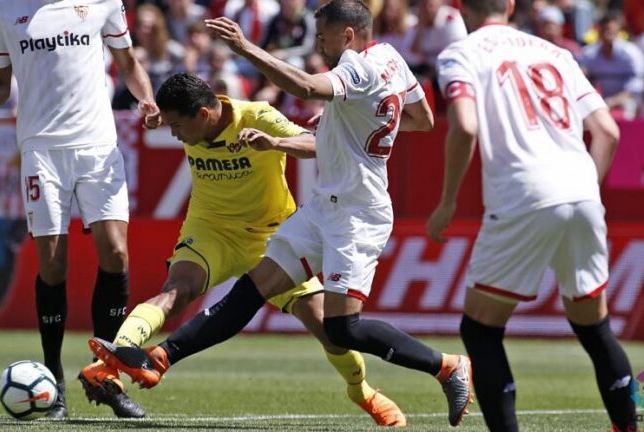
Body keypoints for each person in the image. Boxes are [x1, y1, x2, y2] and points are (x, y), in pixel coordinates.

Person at [88, 0, 474, 427]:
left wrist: (247, 48)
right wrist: (343, 121)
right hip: (321, 209)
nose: (320, 45)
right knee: (253, 290)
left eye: (324, 37)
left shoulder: (357, 67)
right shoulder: (390, 58)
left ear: (347, 35)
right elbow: (421, 120)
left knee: (342, 330)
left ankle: (447, 365)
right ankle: (163, 356)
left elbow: (307, 87)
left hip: (357, 214)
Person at [80, 72, 407, 426]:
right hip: (211, 230)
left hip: (272, 239)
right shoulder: (191, 116)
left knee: (328, 328)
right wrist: (158, 115)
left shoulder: (258, 117)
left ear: (203, 115)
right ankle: (113, 360)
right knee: (177, 290)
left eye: (177, 126)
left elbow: (317, 145)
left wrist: (274, 142)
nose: (174, 134)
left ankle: (361, 392)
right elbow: (172, 116)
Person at [429, 1, 635, 431]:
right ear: (509, 5)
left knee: (481, 331)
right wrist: (582, 191)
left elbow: (464, 127)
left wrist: (447, 202)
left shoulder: (461, 53)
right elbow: (609, 132)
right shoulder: (556, 52)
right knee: (595, 329)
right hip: (582, 188)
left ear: (463, 8)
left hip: (523, 192)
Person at [0, 0, 160, 419]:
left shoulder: (103, 3)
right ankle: (54, 379)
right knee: (52, 265)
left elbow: (129, 62)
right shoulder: (4, 10)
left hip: (98, 145)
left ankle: (107, 376)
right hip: (41, 150)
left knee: (116, 252)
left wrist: (147, 100)